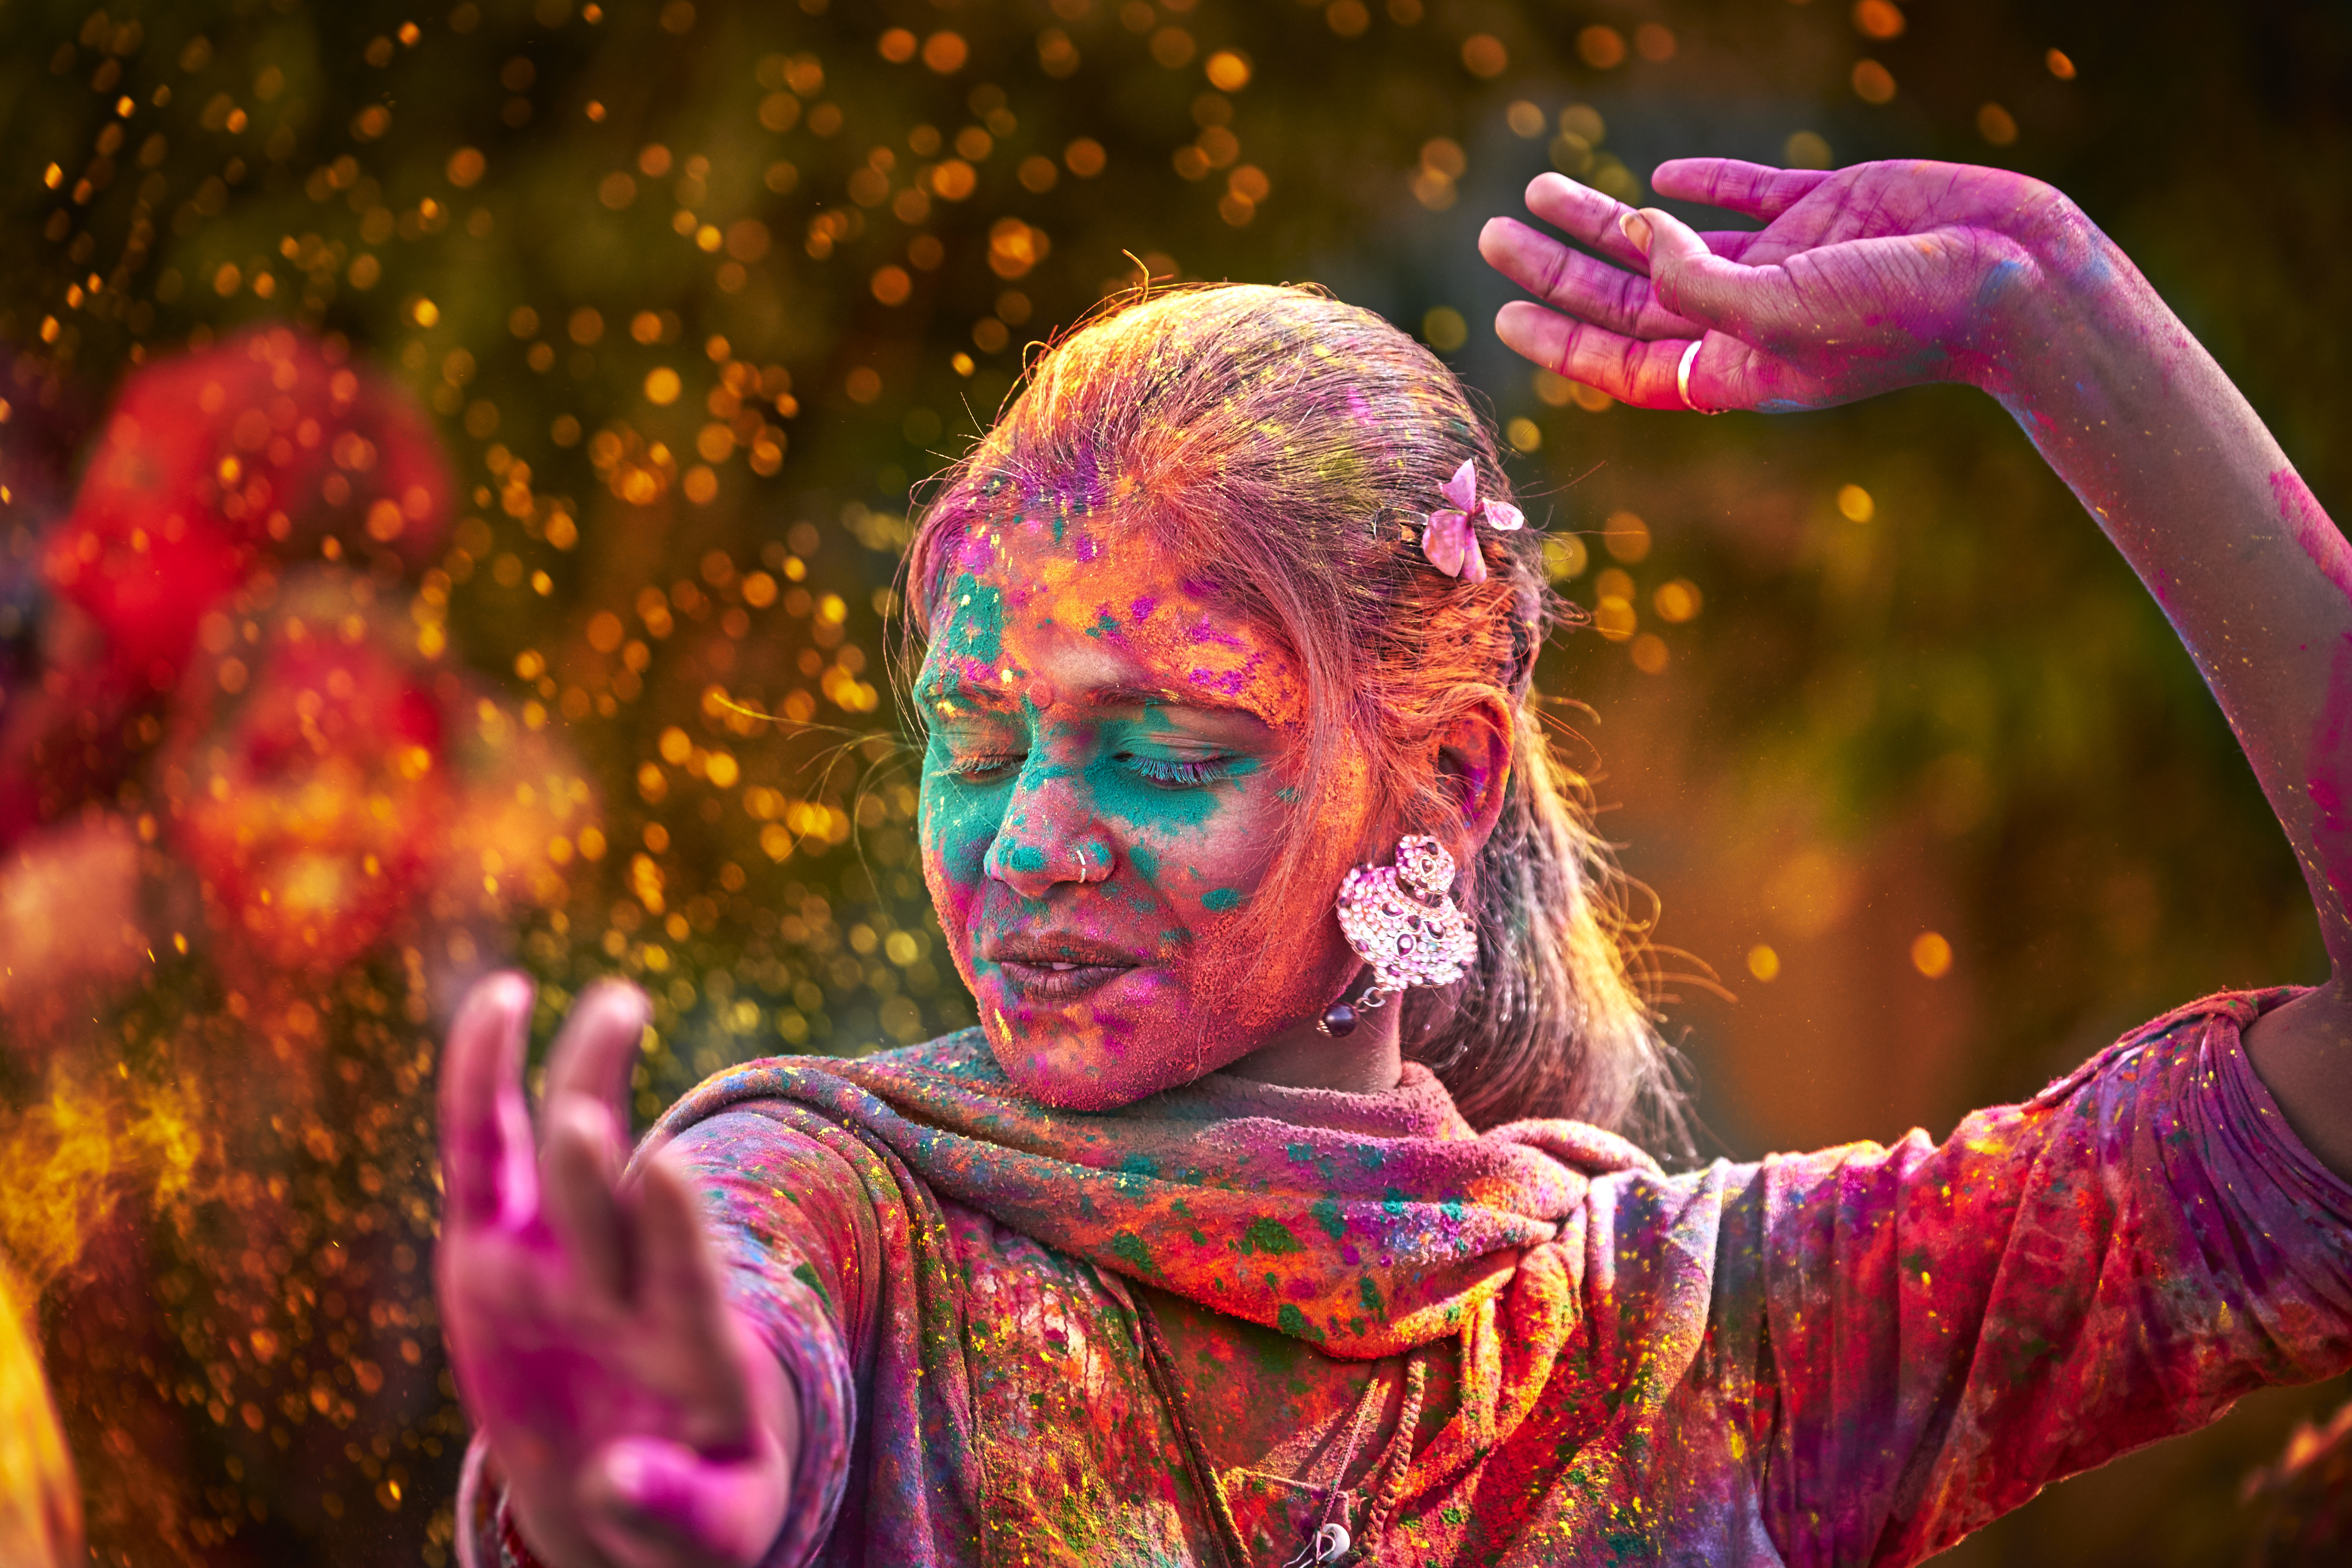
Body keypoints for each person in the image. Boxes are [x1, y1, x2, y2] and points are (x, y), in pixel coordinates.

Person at [437, 158, 2352, 1568]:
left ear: (1438, 785)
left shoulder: (1701, 1348)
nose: (1025, 839)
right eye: (980, 737)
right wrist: (655, 1474)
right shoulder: (835, 1214)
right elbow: (717, 1364)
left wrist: (2054, 308)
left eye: (1164, 747)